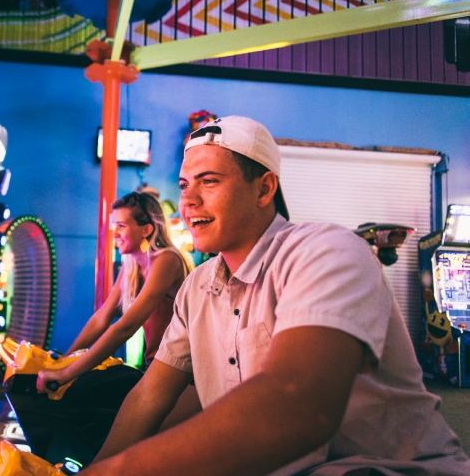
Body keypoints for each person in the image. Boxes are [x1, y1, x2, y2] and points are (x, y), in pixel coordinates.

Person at [84, 116, 470, 475]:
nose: (188, 201)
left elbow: (298, 406)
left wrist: (115, 472)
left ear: (265, 188)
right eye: (185, 185)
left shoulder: (325, 250)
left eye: (210, 181)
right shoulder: (198, 287)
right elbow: (150, 396)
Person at [36, 191, 194, 393]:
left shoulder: (167, 260)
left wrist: (67, 374)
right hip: (157, 366)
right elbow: (101, 318)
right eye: (114, 226)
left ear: (146, 229)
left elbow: (126, 326)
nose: (115, 233)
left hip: (183, 372)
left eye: (121, 226)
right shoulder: (132, 267)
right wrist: (64, 362)